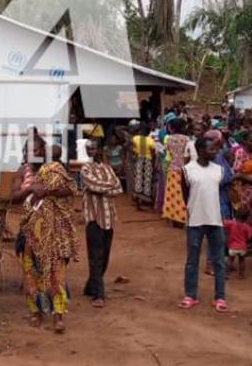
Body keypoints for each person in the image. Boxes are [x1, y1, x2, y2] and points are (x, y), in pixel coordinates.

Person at [17, 146, 77, 333]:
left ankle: (57, 316)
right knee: (32, 274)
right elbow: (15, 197)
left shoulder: (55, 173)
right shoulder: (27, 173)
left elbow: (66, 190)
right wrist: (31, 189)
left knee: (55, 276)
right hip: (32, 234)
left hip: (54, 236)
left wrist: (44, 191)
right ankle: (38, 313)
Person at [179, 137, 228, 312]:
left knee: (219, 261)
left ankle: (220, 297)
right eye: (211, 149)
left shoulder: (219, 170)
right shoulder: (187, 170)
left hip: (215, 221)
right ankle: (190, 295)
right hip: (195, 222)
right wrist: (193, 209)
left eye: (216, 149)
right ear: (199, 150)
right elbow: (186, 195)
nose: (215, 152)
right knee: (192, 260)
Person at [81, 141, 122, 308]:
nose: (91, 151)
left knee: (104, 257)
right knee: (95, 257)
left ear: (99, 149)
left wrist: (104, 187)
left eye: (93, 148)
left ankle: (91, 287)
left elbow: (119, 188)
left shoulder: (107, 167)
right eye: (88, 148)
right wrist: (109, 186)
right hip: (94, 218)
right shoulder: (85, 169)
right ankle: (99, 294)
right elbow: (93, 185)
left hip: (109, 218)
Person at [229, 131, 252, 237]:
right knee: (244, 212)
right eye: (251, 140)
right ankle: (242, 238)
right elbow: (238, 173)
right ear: (245, 141)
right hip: (244, 189)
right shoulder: (240, 152)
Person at [162, 118, 192, 226]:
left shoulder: (169, 139)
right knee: (185, 194)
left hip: (173, 169)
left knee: (173, 195)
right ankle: (184, 217)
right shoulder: (187, 139)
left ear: (172, 128)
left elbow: (168, 152)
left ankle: (175, 217)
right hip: (185, 169)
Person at [130, 123, 156, 209]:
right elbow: (153, 153)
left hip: (138, 161)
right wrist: (153, 163)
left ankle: (138, 203)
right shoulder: (150, 140)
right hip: (148, 161)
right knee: (147, 181)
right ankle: (145, 201)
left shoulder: (135, 138)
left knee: (138, 180)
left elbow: (132, 148)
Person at [223, 211, 252, 279]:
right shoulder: (247, 227)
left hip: (233, 247)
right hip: (242, 247)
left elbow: (224, 223)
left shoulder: (232, 223)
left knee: (230, 260)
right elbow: (249, 237)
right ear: (246, 218)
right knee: (242, 261)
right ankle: (241, 275)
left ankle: (227, 274)